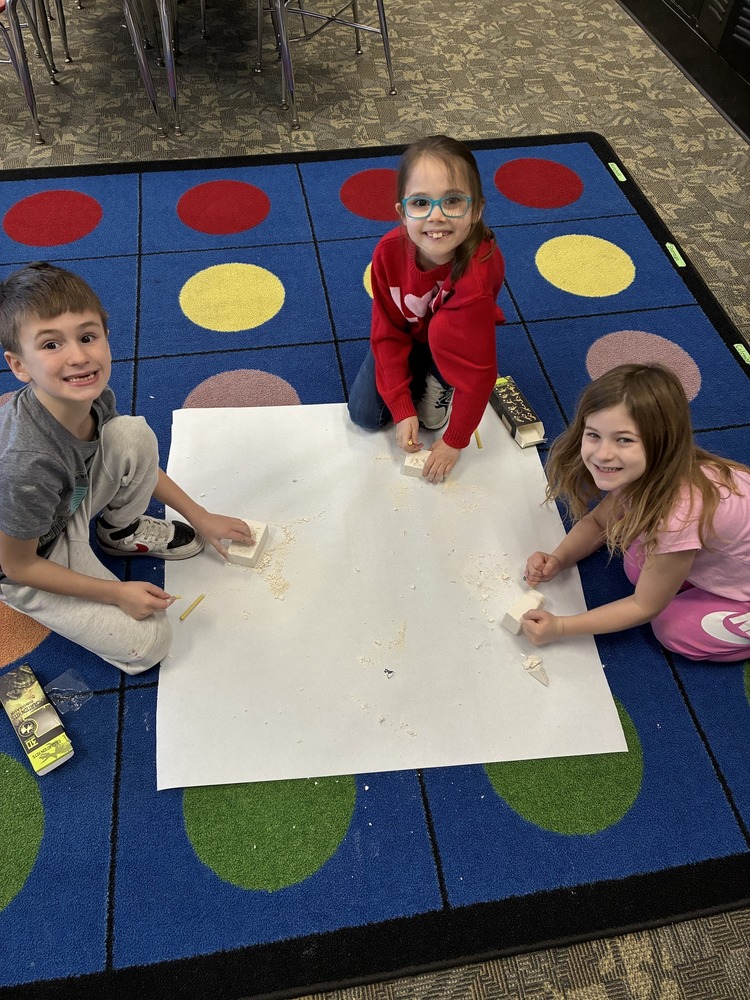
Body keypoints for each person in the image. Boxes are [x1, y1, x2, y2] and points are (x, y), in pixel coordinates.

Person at [0, 262, 256, 675]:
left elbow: (138, 461)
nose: (79, 357)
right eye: (51, 345)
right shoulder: (25, 465)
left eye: (87, 337)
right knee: (150, 641)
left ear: (105, 336)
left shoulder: (92, 397)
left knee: (130, 433)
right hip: (32, 558)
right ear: (19, 366)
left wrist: (200, 516)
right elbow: (18, 566)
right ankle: (86, 573)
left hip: (68, 504)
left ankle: (120, 532)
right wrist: (113, 594)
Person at [522, 363, 750, 662]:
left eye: (624, 440)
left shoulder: (678, 517)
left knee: (673, 629)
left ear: (662, 443)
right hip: (727, 554)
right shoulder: (649, 471)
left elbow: (644, 607)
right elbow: (598, 521)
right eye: (593, 435)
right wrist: (559, 558)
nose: (602, 453)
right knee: (637, 564)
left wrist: (562, 627)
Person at [347, 134, 505, 483]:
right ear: (402, 213)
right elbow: (386, 330)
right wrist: (402, 408)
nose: (436, 217)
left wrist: (454, 441)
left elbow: (479, 373)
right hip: (410, 329)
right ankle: (419, 368)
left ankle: (438, 372)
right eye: (421, 203)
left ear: (477, 209)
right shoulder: (387, 253)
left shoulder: (475, 281)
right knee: (364, 415)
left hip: (455, 337)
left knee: (434, 420)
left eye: (452, 201)